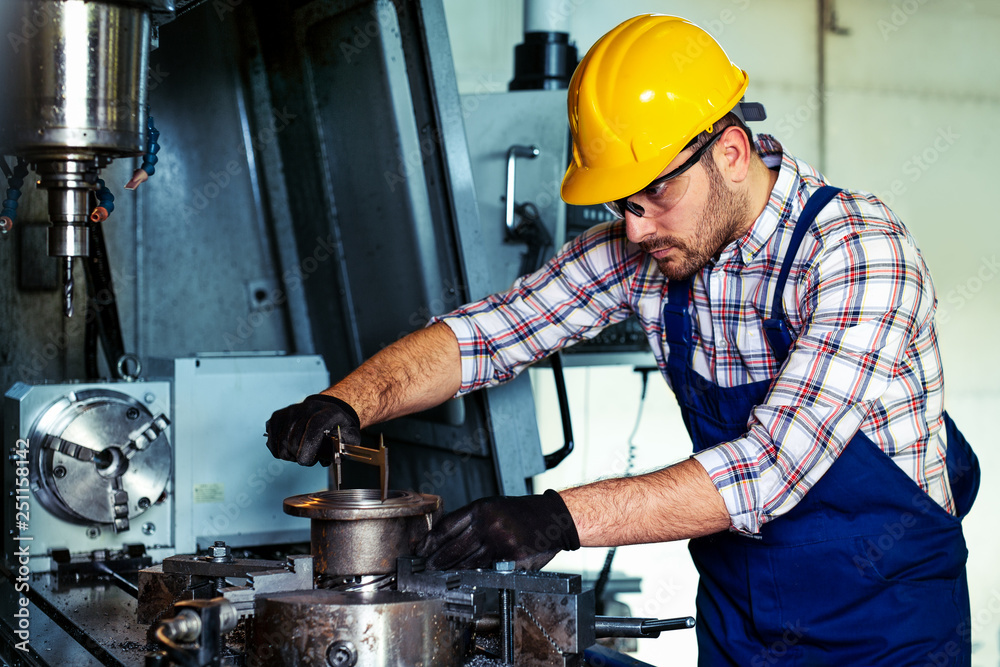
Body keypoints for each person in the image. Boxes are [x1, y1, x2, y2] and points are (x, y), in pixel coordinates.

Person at [266, 14, 980, 665]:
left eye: (651, 198)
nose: (634, 228)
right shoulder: (652, 247)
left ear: (730, 152)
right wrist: (348, 401)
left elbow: (769, 469)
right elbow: (491, 333)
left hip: (886, 629)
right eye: (620, 204)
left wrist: (555, 518)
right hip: (743, 623)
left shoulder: (859, 254)